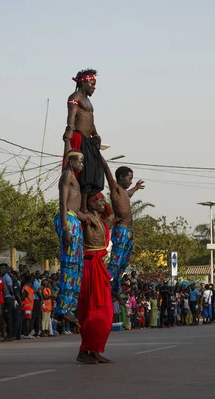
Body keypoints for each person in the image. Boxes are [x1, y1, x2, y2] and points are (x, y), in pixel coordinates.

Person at [77, 193, 113, 364]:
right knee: (92, 311)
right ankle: (85, 350)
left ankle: (96, 350)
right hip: (90, 266)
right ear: (91, 204)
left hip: (100, 267)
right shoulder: (88, 218)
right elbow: (76, 212)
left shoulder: (103, 223)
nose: (103, 202)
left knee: (106, 313)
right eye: (100, 200)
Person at [54, 148, 89, 326]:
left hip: (74, 220)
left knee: (77, 267)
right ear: (70, 162)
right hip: (67, 220)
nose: (81, 165)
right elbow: (62, 202)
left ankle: (70, 306)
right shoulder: (66, 176)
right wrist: (65, 228)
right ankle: (63, 308)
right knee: (69, 265)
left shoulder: (73, 177)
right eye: (79, 161)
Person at [101, 156, 144, 298]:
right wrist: (97, 152)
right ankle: (105, 282)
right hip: (121, 230)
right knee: (116, 260)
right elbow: (107, 169)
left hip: (129, 231)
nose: (130, 181)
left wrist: (136, 188)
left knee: (124, 261)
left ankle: (114, 288)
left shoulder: (125, 193)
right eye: (129, 179)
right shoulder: (116, 189)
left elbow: (129, 194)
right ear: (120, 178)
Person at [63, 68, 104, 213]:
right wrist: (69, 128)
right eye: (92, 84)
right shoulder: (75, 97)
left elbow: (90, 121)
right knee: (82, 172)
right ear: (85, 82)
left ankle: (86, 204)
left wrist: (96, 134)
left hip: (89, 139)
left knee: (92, 172)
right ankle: (81, 206)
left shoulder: (88, 101)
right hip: (79, 138)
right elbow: (72, 114)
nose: (94, 87)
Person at [0, 263, 15, 342]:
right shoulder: (2, 277)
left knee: (8, 317)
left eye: (3, 268)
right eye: (0, 268)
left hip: (7, 298)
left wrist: (13, 298)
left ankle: (9, 335)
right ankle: (6, 334)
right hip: (3, 299)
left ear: (6, 269)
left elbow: (11, 289)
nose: (1, 270)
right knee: (5, 317)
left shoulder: (7, 277)